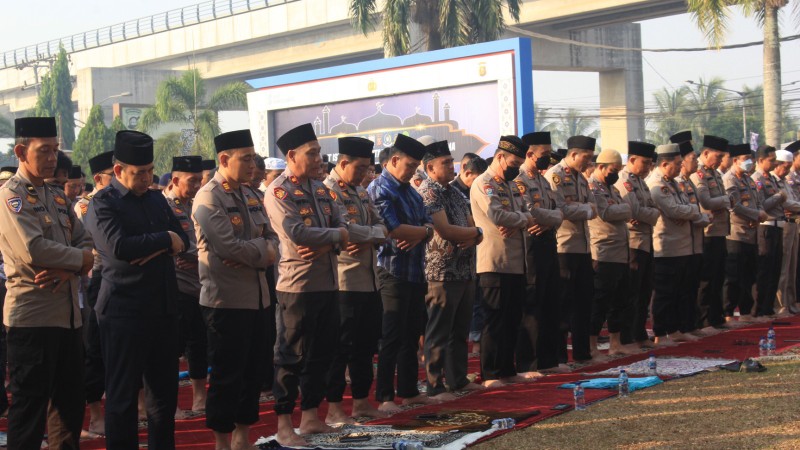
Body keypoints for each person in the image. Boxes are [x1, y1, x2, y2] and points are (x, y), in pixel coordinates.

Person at [84, 130, 188, 449]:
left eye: (149, 171)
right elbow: (119, 248)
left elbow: (182, 240)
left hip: (162, 310)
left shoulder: (157, 199)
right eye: (138, 173)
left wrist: (162, 242)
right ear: (118, 171)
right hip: (123, 313)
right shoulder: (103, 203)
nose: (146, 179)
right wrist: (162, 241)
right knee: (122, 398)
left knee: (163, 399)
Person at [0, 117, 93, 449]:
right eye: (45, 150)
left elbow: (85, 240)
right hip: (33, 316)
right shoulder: (12, 196)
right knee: (29, 409)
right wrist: (81, 261)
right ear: (22, 151)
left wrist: (73, 266)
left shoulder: (55, 194)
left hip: (68, 316)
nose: (53, 158)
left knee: (68, 406)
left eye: (56, 150)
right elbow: (34, 249)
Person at [193, 131, 277, 450]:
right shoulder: (209, 197)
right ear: (224, 159)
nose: (252, 164)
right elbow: (229, 248)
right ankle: (221, 441)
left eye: (253, 158)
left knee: (253, 371)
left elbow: (274, 242)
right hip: (225, 301)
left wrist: (258, 251)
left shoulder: (252, 195)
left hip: (258, 298)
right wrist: (262, 252)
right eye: (245, 158)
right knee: (227, 375)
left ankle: (243, 436)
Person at [265, 123, 348, 446]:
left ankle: (311, 416)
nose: (318, 158)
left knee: (322, 353)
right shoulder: (279, 192)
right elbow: (297, 235)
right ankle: (285, 424)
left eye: (318, 152)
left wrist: (331, 238)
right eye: (311, 153)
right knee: (290, 355)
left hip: (328, 281)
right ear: (291, 155)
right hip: (297, 287)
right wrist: (336, 237)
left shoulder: (322, 189)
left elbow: (342, 226)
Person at [323, 137, 389, 423]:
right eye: (360, 168)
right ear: (343, 163)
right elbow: (344, 229)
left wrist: (368, 235)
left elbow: (382, 227)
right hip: (344, 281)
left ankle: (362, 401)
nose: (364, 175)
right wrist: (368, 234)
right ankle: (335, 407)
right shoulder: (328, 191)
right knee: (340, 347)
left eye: (367, 169)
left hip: (369, 279)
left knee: (365, 345)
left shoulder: (361, 192)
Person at [368, 134, 434, 411]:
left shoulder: (410, 190)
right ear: (393, 160)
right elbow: (393, 229)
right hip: (391, 270)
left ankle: (408, 390)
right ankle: (385, 396)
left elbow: (428, 223)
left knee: (411, 335)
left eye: (416, 166)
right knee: (391, 337)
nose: (412, 171)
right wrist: (423, 232)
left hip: (414, 270)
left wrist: (421, 233)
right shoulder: (380, 188)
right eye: (409, 165)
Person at [417, 140, 485, 400]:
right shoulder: (428, 192)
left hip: (465, 268)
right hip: (441, 271)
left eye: (451, 161)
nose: (451, 166)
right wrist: (475, 232)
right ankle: (435, 385)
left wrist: (475, 233)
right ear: (430, 167)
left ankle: (457, 379)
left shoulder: (456, 193)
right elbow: (444, 230)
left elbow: (474, 227)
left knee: (460, 330)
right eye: (445, 163)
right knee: (438, 330)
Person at [471, 135, 536, 386]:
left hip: (517, 262)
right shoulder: (484, 183)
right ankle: (490, 374)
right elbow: (497, 214)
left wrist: (518, 220)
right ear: (500, 157)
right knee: (494, 320)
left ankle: (508, 370)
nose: (516, 168)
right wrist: (520, 220)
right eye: (513, 163)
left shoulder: (512, 185)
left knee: (512, 318)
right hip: (494, 262)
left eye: (520, 164)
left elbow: (528, 215)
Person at [545, 135, 598, 363]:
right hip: (564, 248)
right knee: (563, 306)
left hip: (583, 248)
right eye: (586, 158)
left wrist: (584, 208)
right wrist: (585, 209)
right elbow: (562, 209)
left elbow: (595, 207)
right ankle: (559, 357)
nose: (588, 163)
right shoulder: (555, 175)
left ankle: (582, 354)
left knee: (584, 303)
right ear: (573, 154)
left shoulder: (582, 178)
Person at [74, 150, 116, 438]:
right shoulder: (88, 206)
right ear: (100, 178)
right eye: (115, 174)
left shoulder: (127, 200)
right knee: (96, 349)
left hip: (124, 279)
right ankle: (96, 415)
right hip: (99, 279)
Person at [516, 132, 565, 373]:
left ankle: (549, 360)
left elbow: (557, 211)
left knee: (551, 302)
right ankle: (530, 363)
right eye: (544, 154)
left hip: (548, 242)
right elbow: (529, 211)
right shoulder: (520, 179)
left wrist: (550, 219)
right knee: (533, 304)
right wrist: (551, 218)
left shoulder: (544, 181)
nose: (547, 159)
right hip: (531, 246)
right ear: (530, 154)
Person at [648, 144, 706, 346]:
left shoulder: (672, 183)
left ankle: (674, 329)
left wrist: (688, 211)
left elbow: (684, 208)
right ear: (665, 164)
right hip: (667, 247)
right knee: (665, 292)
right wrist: (692, 211)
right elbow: (674, 210)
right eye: (677, 164)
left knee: (679, 291)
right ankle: (660, 332)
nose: (681, 167)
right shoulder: (657, 184)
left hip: (682, 245)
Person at [162, 156, 207, 414]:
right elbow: (176, 243)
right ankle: (171, 403)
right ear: (176, 180)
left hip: (200, 285)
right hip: (176, 287)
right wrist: (200, 255)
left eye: (200, 180)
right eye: (192, 181)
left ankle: (199, 397)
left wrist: (199, 258)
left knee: (198, 344)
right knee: (172, 347)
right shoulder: (164, 206)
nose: (197, 185)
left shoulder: (199, 204)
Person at [588, 149, 635, 357]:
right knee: (600, 301)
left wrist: (624, 209)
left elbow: (624, 208)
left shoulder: (612, 189)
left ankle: (615, 343)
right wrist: (626, 210)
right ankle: (592, 345)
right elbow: (606, 213)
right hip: (603, 251)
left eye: (618, 170)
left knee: (620, 299)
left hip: (620, 250)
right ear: (600, 167)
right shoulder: (593, 187)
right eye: (612, 170)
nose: (615, 174)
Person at [615, 141, 659, 349]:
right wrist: (648, 214)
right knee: (631, 292)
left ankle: (639, 333)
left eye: (651, 163)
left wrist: (648, 215)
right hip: (633, 243)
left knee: (644, 291)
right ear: (632, 160)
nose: (649, 167)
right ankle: (627, 336)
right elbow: (633, 210)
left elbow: (651, 209)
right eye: (646, 162)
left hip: (646, 240)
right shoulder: (624, 181)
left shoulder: (641, 182)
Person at [690, 135, 731, 332]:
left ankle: (716, 317)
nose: (721, 160)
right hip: (708, 232)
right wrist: (725, 200)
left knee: (718, 276)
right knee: (706, 279)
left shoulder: (715, 174)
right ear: (705, 153)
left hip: (720, 231)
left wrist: (723, 199)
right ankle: (705, 319)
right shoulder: (699, 174)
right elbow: (705, 201)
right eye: (718, 156)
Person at [722, 144, 766, 324]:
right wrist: (756, 214)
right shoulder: (729, 179)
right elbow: (735, 206)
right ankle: (728, 312)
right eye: (746, 158)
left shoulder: (748, 179)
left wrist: (759, 214)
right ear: (735, 160)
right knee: (734, 275)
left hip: (752, 232)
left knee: (749, 274)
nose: (750, 162)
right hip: (736, 233)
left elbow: (758, 201)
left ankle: (746, 311)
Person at [450, 152, 488, 355]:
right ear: (467, 172)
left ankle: (476, 344)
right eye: (477, 178)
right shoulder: (453, 191)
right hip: (452, 259)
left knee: (477, 301)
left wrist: (474, 234)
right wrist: (473, 233)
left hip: (475, 252)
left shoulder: (473, 189)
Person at [673, 137, 711, 337]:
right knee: (682, 288)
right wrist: (701, 216)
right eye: (692, 158)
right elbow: (685, 211)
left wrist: (702, 217)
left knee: (691, 285)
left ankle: (691, 324)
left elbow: (694, 208)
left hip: (695, 240)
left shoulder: (688, 181)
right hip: (682, 242)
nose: (696, 162)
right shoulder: (677, 182)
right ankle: (682, 327)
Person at [752, 145, 790, 317]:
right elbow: (762, 205)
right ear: (760, 160)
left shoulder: (771, 179)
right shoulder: (756, 179)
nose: (775, 163)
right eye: (771, 160)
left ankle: (768, 308)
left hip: (778, 226)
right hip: (766, 227)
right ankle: (759, 309)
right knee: (765, 269)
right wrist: (779, 197)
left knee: (775, 269)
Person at [781, 142, 800, 314]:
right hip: (785, 224)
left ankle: (791, 302)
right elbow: (787, 203)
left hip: (794, 224)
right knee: (784, 269)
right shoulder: (786, 179)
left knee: (792, 269)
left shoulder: (791, 178)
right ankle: (782, 305)